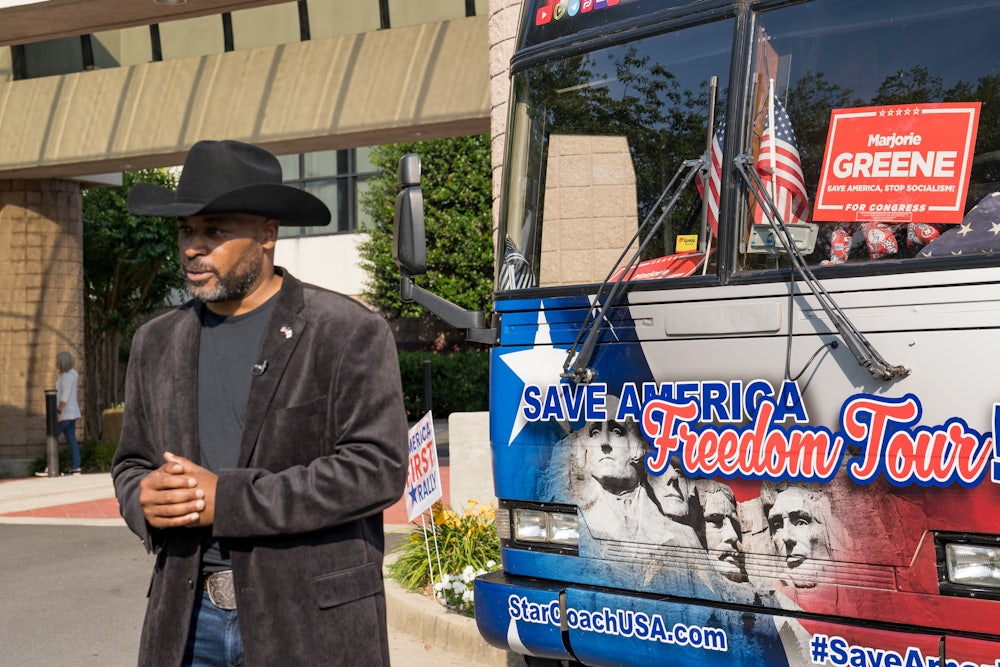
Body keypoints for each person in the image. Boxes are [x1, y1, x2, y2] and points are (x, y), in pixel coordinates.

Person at [111, 140, 409, 667]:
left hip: (308, 622)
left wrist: (227, 499)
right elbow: (132, 462)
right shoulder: (155, 342)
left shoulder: (347, 331)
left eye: (216, 229)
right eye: (186, 231)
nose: (193, 248)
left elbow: (376, 468)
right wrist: (142, 499)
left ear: (268, 234)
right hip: (185, 622)